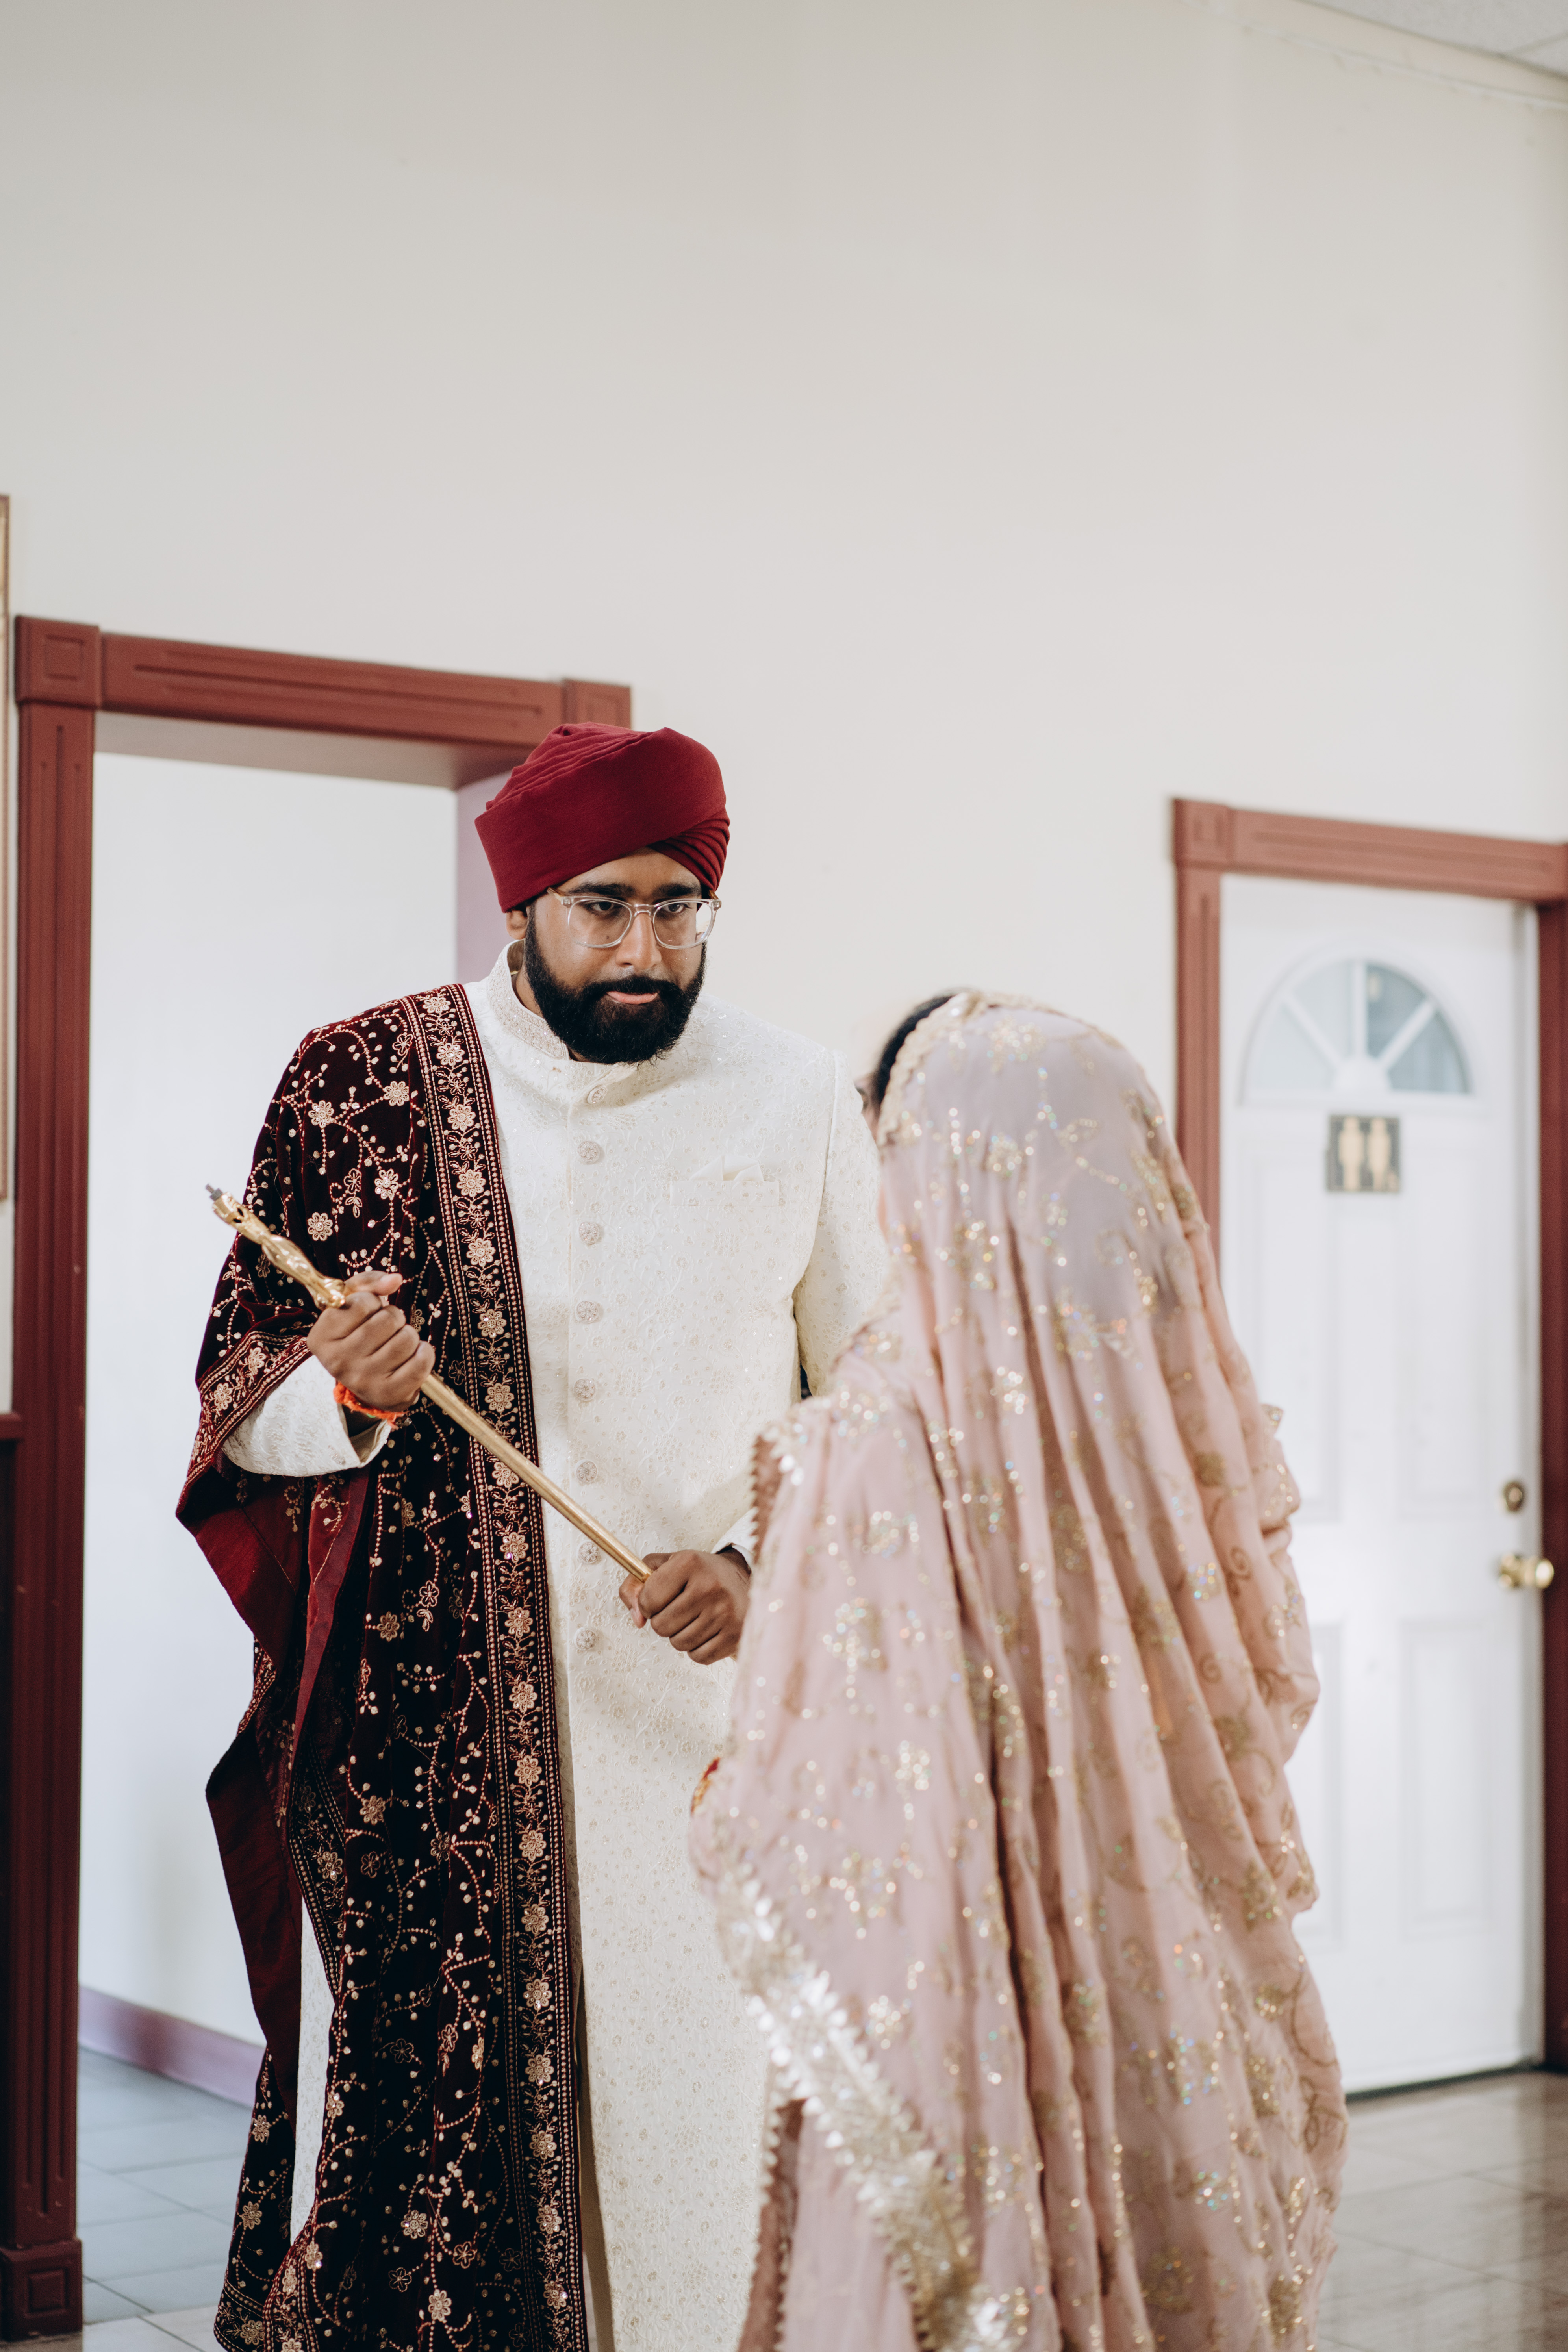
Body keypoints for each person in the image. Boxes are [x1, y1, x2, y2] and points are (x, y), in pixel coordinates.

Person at [178, 722, 887, 2352]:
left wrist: (759, 1565)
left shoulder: (797, 1099)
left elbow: (883, 1399)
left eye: (678, 908)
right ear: (521, 906)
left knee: (701, 2171)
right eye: (603, 908)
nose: (644, 949)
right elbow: (234, 1396)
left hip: (707, 1750)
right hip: (434, 1758)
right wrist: (348, 1395)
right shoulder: (361, 1082)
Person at [692, 991, 1346, 2350]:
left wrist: (738, 1778)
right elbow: (1249, 1669)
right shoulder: (1171, 1417)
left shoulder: (880, 1428)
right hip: (1172, 1964)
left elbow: (830, 1797)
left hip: (978, 1990)